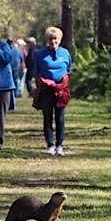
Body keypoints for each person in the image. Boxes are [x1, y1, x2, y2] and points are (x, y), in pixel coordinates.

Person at [32, 26, 72, 156]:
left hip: (61, 90)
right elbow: (36, 71)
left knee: (60, 118)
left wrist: (62, 84)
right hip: (46, 89)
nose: (53, 42)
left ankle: (59, 145)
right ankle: (50, 144)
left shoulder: (65, 53)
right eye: (51, 39)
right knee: (47, 117)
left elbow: (69, 69)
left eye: (55, 39)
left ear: (59, 40)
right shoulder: (40, 54)